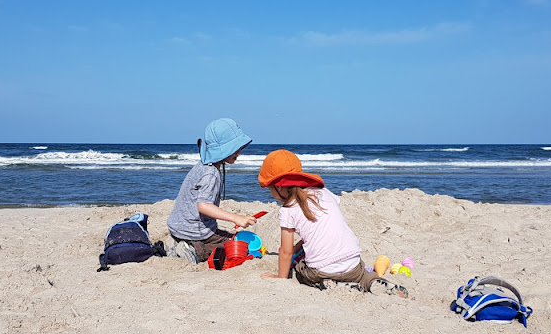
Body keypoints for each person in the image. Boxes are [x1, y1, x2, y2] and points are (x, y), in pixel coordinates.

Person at [258, 149, 408, 297]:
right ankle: (373, 281)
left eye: (269, 188)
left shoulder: (287, 210)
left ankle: (331, 284)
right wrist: (300, 246)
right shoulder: (323, 192)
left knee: (300, 271)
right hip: (352, 264)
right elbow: (322, 228)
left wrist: (281, 277)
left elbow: (286, 252)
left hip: (322, 271)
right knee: (362, 273)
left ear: (278, 186)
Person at [167, 118, 257, 263]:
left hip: (178, 227)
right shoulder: (211, 174)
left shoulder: (203, 165)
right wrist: (236, 217)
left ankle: (181, 243)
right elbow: (204, 206)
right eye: (235, 148)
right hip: (193, 230)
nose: (239, 152)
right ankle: (194, 250)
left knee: (229, 236)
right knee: (234, 246)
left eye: (240, 147)